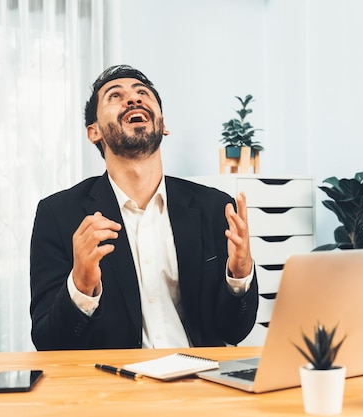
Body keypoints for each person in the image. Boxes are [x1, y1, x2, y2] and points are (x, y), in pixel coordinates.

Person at [30, 65, 258, 350]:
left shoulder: (215, 208)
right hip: (113, 387)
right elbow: (48, 343)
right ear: (94, 132)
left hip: (201, 381)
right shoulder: (58, 215)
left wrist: (240, 274)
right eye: (115, 96)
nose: (133, 99)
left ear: (163, 125)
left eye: (142, 93)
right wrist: (81, 285)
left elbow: (234, 332)